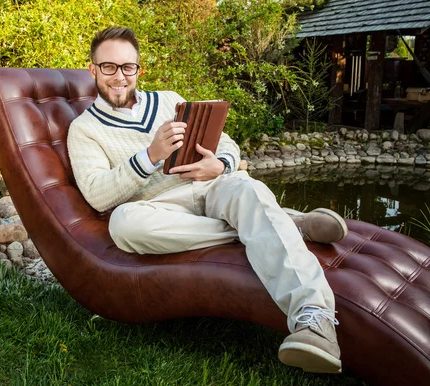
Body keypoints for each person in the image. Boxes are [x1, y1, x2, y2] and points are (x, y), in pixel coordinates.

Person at [67, 26, 347, 374]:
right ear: (92, 69)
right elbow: (96, 194)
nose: (119, 76)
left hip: (211, 186)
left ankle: (315, 319)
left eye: (128, 67)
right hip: (160, 207)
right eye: (108, 67)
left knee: (247, 189)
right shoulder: (84, 129)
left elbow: (227, 145)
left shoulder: (169, 101)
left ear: (139, 69)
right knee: (123, 224)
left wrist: (219, 163)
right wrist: (150, 155)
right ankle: (278, 222)